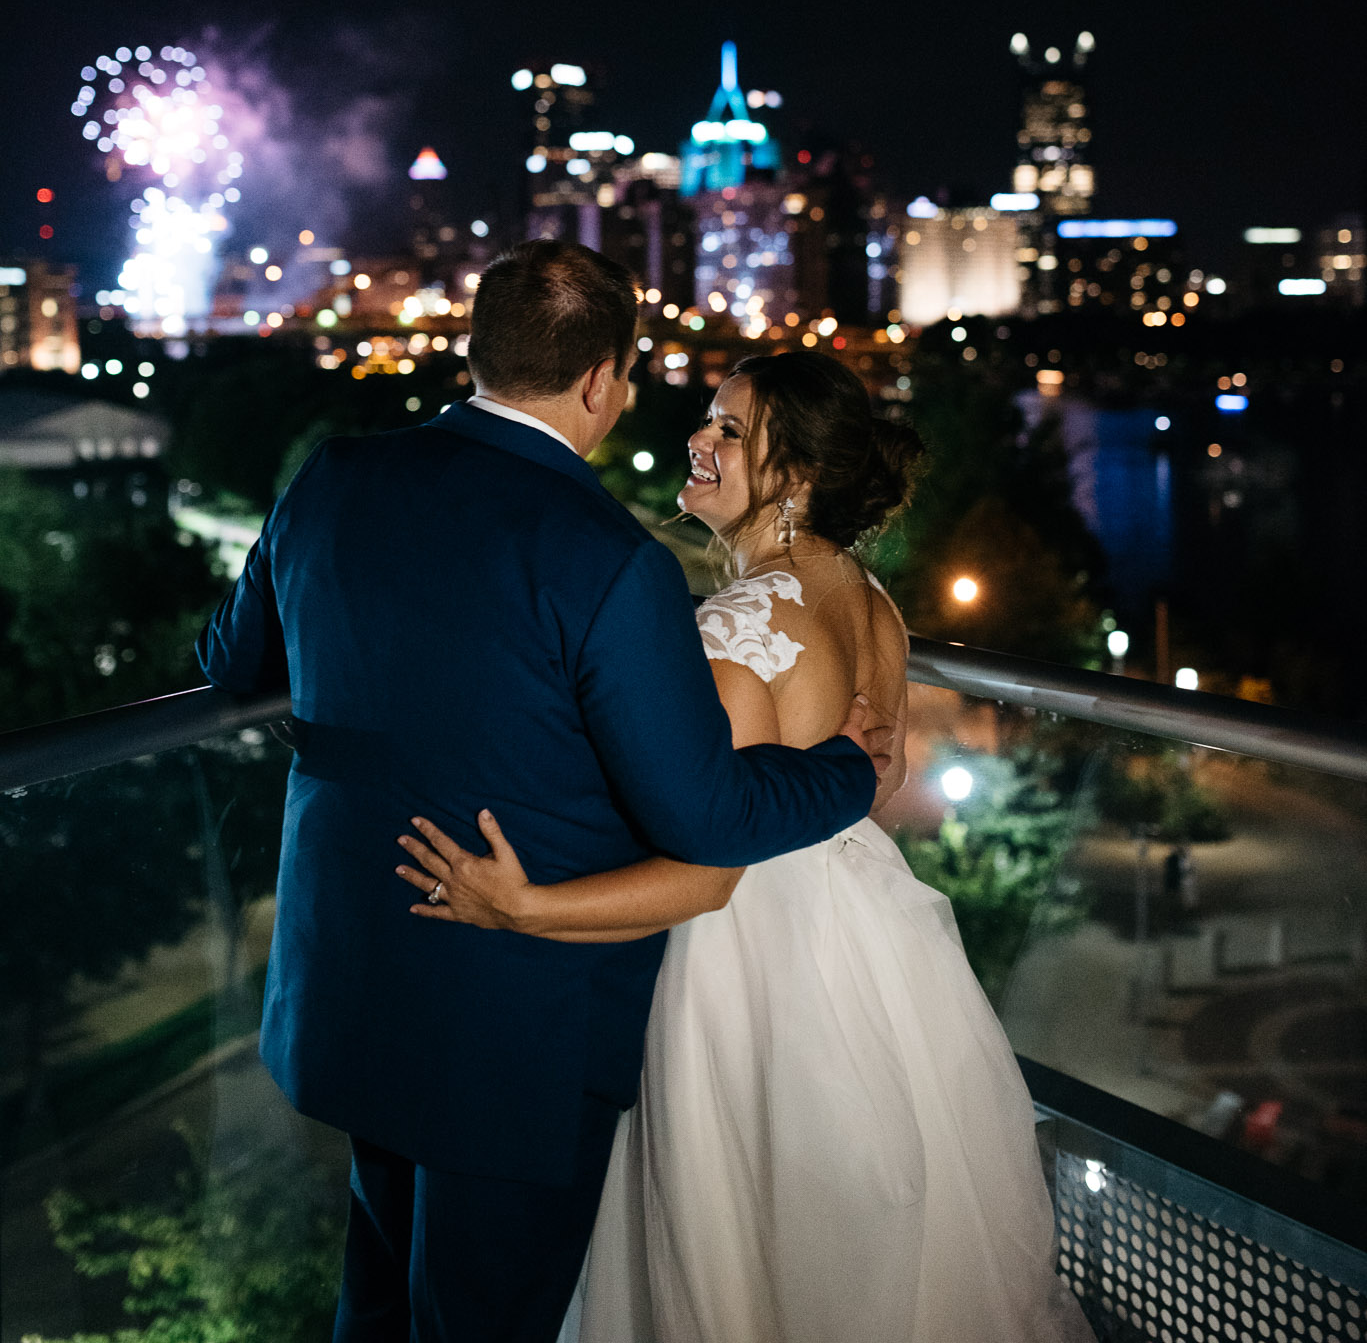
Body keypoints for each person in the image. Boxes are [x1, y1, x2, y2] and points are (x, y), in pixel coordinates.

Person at [197, 243, 881, 1343]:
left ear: (472, 350)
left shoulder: (331, 477)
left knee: (372, 1304)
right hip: (514, 1034)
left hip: (351, 978)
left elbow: (232, 660)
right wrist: (846, 769)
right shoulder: (610, 563)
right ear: (604, 379)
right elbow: (702, 816)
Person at [399, 352, 1096, 1342]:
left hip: (741, 967)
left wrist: (521, 905)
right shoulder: (867, 597)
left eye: (730, 430)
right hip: (863, 941)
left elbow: (708, 869)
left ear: (797, 474)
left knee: (731, 1254)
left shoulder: (733, 630)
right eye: (707, 418)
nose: (699, 437)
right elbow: (877, 774)